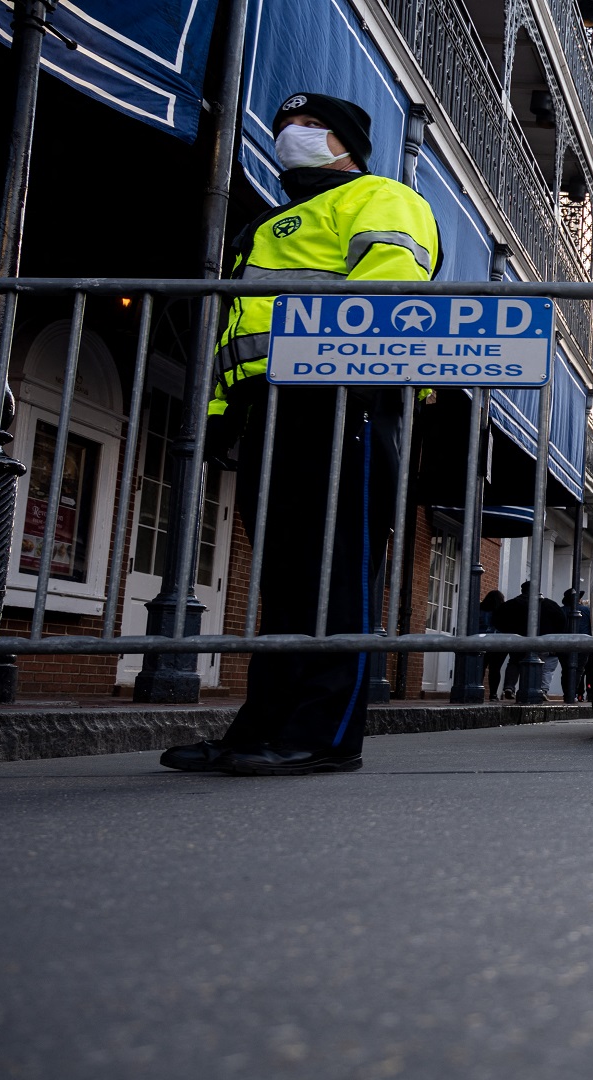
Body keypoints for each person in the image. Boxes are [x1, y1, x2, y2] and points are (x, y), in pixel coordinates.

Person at [160, 91, 440, 776]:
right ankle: (259, 729)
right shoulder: (273, 221)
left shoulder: (381, 197)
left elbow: (390, 295)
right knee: (285, 583)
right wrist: (224, 412)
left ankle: (323, 735)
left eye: (313, 126)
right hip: (271, 406)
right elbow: (239, 333)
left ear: (347, 142)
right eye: (286, 124)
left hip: (344, 400)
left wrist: (347, 377)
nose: (295, 135)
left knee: (335, 577)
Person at [494, 580, 567, 701]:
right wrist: (552, 635)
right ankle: (534, 688)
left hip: (517, 638)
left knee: (514, 662)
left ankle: (509, 686)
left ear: (522, 590)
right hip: (541, 639)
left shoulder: (511, 604)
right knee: (538, 663)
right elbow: (561, 620)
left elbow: (497, 619)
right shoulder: (549, 604)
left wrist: (509, 631)